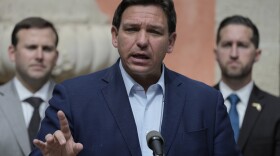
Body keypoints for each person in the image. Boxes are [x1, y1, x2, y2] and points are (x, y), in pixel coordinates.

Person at [31, 0, 241, 156]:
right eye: (131, 29)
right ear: (115, 36)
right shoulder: (74, 97)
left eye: (154, 32)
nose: (142, 41)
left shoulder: (206, 102)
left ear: (171, 42)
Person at [214, 15, 280, 156]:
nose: (234, 54)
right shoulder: (197, 104)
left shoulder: (276, 110)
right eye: (227, 45)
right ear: (216, 53)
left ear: (257, 54)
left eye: (242, 45)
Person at [0, 17, 59, 156]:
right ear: (12, 53)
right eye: (31, 47)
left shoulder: (74, 102)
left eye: (47, 49)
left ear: (56, 57)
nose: (39, 56)